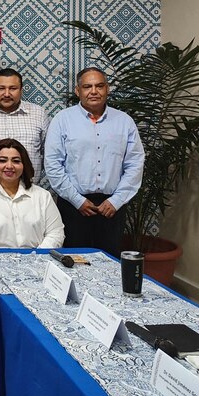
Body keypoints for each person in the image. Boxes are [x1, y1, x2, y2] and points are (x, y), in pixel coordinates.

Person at [44, 67, 145, 257]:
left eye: (99, 86)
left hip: (112, 207)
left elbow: (135, 164)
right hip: (73, 206)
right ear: (78, 91)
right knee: (73, 261)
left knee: (110, 262)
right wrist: (78, 200)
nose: (93, 91)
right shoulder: (62, 120)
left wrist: (116, 201)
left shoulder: (124, 122)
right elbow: (53, 165)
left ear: (107, 89)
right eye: (87, 86)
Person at [0, 139, 64, 248]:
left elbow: (56, 234)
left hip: (37, 260)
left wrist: (36, 257)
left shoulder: (43, 196)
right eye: (2, 160)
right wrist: (0, 258)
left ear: (24, 165)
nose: (9, 166)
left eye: (16, 161)